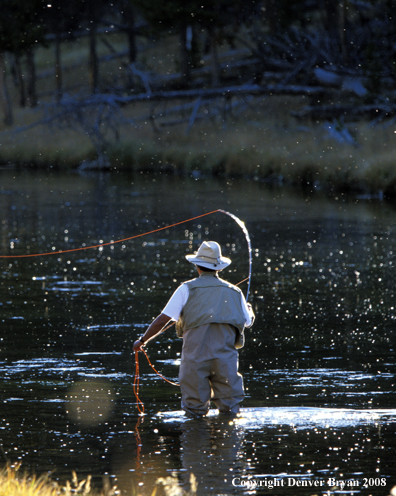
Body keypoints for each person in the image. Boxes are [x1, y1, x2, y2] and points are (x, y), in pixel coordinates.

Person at [133, 240, 254, 417]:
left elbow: (162, 320)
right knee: (231, 410)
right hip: (225, 361)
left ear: (197, 266)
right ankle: (228, 442)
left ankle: (196, 442)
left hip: (195, 359)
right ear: (219, 267)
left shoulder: (186, 289)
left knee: (194, 412)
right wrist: (250, 310)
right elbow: (248, 321)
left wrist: (142, 341)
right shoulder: (235, 291)